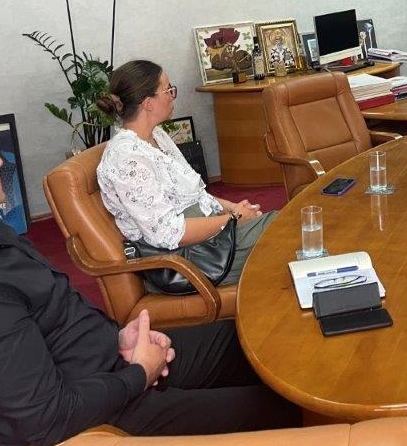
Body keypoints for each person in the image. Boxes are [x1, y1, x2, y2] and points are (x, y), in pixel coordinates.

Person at [0, 121, 299, 446]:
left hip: (110, 364)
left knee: (258, 336)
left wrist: (120, 340)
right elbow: (52, 419)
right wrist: (139, 373)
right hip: (100, 425)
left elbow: (56, 316)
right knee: (284, 407)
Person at [96, 60, 276, 286]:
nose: (173, 95)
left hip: (206, 238)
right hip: (186, 260)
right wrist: (233, 219)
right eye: (168, 90)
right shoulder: (126, 159)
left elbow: (193, 195)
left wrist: (232, 208)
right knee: (287, 231)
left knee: (288, 225)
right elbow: (167, 234)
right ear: (148, 103)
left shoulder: (157, 136)